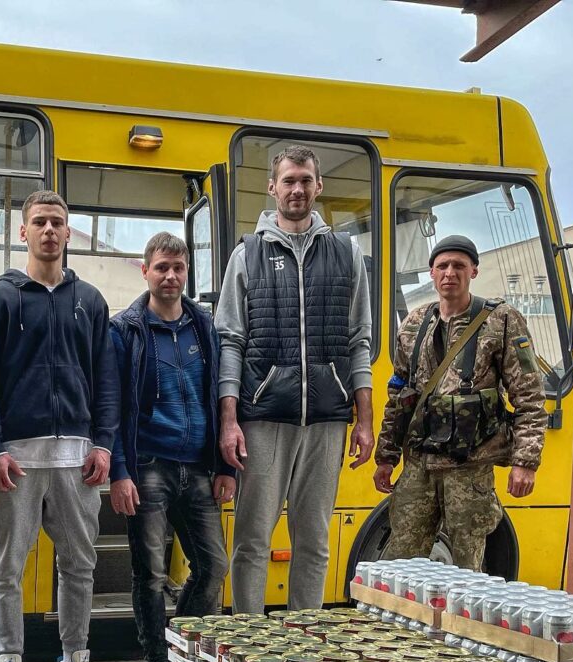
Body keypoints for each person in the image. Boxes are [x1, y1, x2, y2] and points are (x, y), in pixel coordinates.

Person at [0, 189, 120, 662]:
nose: (50, 231)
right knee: (7, 568)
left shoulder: (91, 302)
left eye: (58, 222)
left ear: (68, 232)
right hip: (17, 458)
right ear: (23, 233)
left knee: (79, 564)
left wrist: (103, 444)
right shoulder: (0, 300)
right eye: (40, 222)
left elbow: (106, 381)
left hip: (78, 459)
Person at [215, 144, 374, 612]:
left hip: (326, 419)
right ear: (273, 187)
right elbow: (231, 341)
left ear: (318, 186)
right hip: (264, 419)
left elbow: (358, 341)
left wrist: (363, 421)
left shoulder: (346, 253)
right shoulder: (247, 255)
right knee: (251, 540)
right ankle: (248, 645)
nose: (297, 189)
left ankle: (305, 642)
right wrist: (229, 420)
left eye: (305, 180)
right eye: (288, 180)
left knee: (314, 542)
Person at [109, 232, 235, 662]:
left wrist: (226, 467)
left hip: (198, 466)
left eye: (178, 268)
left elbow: (221, 401)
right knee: (151, 573)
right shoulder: (125, 330)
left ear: (187, 272)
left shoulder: (204, 326)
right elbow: (113, 406)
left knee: (214, 566)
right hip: (149, 465)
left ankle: (180, 644)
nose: (170, 276)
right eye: (162, 267)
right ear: (146, 271)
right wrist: (121, 471)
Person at [374, 234, 547, 569]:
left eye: (458, 266)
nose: (449, 273)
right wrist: (386, 456)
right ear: (431, 272)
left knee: (466, 569)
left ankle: (458, 624)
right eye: (442, 266)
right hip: (420, 465)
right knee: (398, 564)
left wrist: (525, 461)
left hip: (469, 468)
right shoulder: (414, 323)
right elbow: (398, 395)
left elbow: (529, 397)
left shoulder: (501, 320)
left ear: (474, 271)